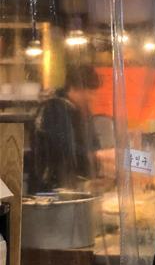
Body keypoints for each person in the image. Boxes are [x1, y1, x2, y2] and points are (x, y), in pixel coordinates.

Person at [29, 64, 104, 193]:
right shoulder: (54, 108)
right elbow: (65, 152)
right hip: (50, 192)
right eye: (90, 92)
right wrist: (97, 156)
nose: (93, 98)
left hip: (76, 187)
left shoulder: (83, 110)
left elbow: (94, 144)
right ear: (75, 88)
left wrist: (100, 159)